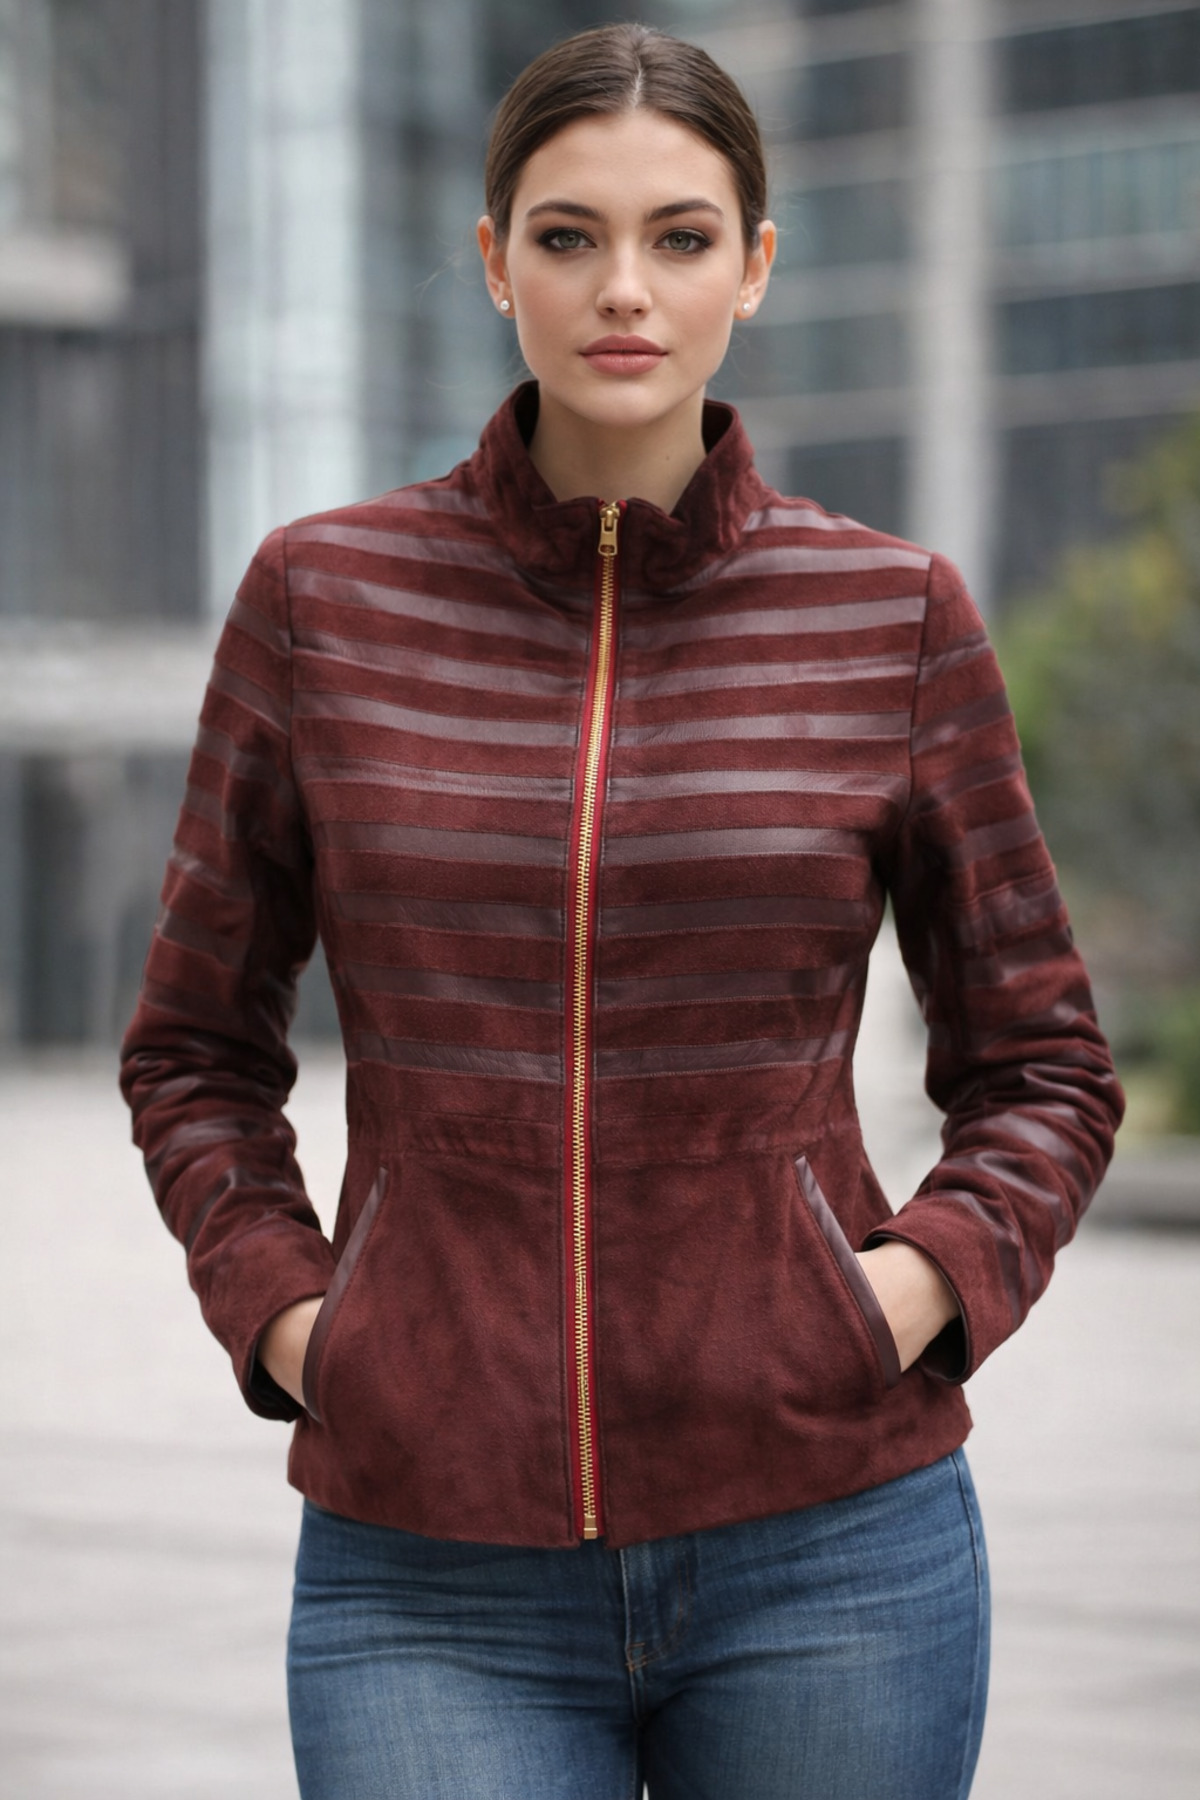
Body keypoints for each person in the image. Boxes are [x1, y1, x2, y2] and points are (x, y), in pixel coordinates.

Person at [120, 22, 1124, 1800]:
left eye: (681, 235)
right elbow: (196, 1048)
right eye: (569, 235)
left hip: (830, 1544)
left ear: (757, 264)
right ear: (494, 257)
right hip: (429, 1557)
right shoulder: (323, 603)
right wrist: (299, 1322)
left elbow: (1043, 1065)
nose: (624, 289)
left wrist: (906, 1295)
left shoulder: (888, 617)